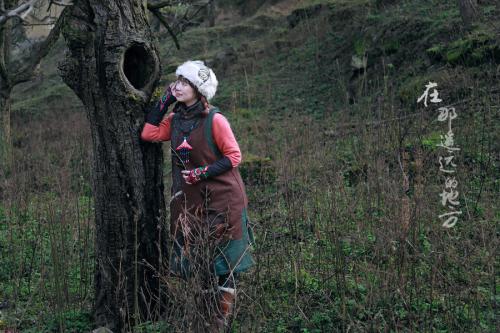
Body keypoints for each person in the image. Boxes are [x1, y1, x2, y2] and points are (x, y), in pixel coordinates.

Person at [140, 60, 254, 329]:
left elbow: (234, 156)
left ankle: (220, 322)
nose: (177, 86)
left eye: (184, 83)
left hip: (223, 198)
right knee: (201, 263)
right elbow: (148, 133)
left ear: (199, 90)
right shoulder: (176, 120)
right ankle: (205, 317)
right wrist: (163, 102)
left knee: (225, 263)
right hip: (191, 202)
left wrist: (202, 173)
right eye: (176, 81)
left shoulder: (216, 119)